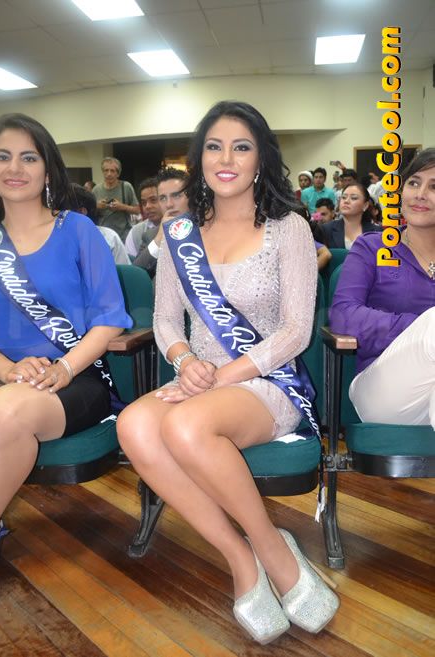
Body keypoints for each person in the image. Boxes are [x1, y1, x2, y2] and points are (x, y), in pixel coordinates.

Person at [117, 100, 339, 644]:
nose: (226, 158)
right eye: (214, 147)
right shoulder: (178, 232)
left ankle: (272, 548)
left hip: (267, 381)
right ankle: (239, 556)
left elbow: (296, 331)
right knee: (134, 425)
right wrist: (184, 360)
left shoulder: (288, 227)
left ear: (261, 158)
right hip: (198, 378)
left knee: (185, 425)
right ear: (199, 159)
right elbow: (165, 319)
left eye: (242, 147)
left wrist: (223, 375)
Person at [0, 113, 132, 561]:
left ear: (48, 169)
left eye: (28, 157)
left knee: (7, 412)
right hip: (6, 376)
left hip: (75, 380)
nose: (14, 168)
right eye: (2, 156)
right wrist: (9, 370)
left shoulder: (77, 230)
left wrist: (64, 367)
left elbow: (110, 319)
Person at [329, 148, 435, 429]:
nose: (420, 194)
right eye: (414, 183)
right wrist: (420, 329)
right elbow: (343, 316)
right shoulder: (373, 247)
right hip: (381, 387)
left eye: (434, 187)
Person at [133, 167, 189, 275]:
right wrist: (159, 240)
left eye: (176, 196)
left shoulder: (210, 229)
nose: (169, 204)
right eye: (163, 198)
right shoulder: (151, 236)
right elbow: (135, 275)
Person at [71, 183, 131, 265]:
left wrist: (122, 207)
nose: (56, 216)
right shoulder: (55, 238)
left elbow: (123, 270)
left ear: (81, 212)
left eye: (61, 210)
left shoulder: (109, 239)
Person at [93, 157, 139, 242]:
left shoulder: (126, 187)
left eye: (112, 171)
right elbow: (88, 213)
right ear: (103, 172)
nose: (109, 174)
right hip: (103, 236)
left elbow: (137, 210)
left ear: (118, 174)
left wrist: (122, 207)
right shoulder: (96, 190)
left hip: (123, 236)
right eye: (106, 170)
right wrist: (97, 206)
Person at [322, 182, 382, 249]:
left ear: (365, 205)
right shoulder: (326, 229)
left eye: (353, 198)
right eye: (343, 197)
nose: (346, 201)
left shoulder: (377, 232)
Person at [124, 178, 162, 262]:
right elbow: (132, 267)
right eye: (144, 203)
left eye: (153, 200)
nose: (147, 206)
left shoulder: (181, 226)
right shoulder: (135, 232)